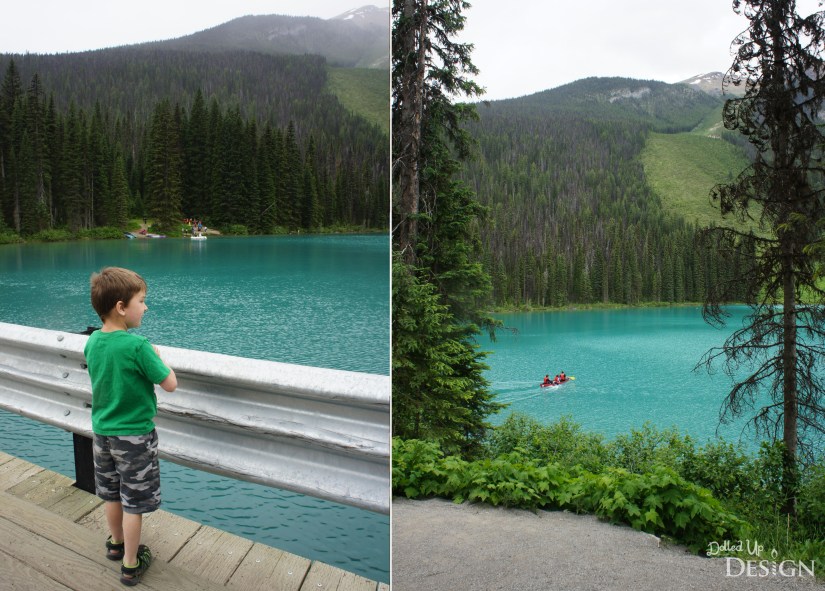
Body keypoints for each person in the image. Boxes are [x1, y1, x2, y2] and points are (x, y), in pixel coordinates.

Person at [84, 267, 178, 586]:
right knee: (133, 504)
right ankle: (131, 563)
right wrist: (157, 356)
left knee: (111, 494)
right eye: (142, 300)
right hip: (135, 438)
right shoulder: (138, 347)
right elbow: (170, 383)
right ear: (121, 307)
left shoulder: (93, 341)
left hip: (102, 434)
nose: (146, 307)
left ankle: (115, 543)